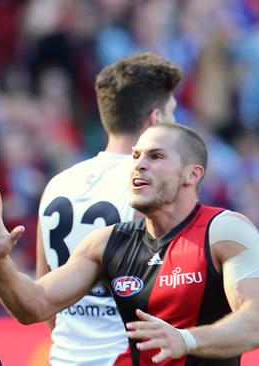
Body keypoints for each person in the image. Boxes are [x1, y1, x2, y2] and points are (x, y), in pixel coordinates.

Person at [0, 123, 259, 365]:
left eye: (156, 156)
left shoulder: (225, 231)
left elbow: (258, 322)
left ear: (192, 174)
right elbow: (35, 305)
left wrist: (186, 339)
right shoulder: (108, 242)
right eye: (136, 156)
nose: (139, 165)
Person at [36, 52, 182, 365]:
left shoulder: (58, 184)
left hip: (64, 357)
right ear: (155, 119)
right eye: (172, 115)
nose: (175, 125)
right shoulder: (150, 188)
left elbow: (42, 293)